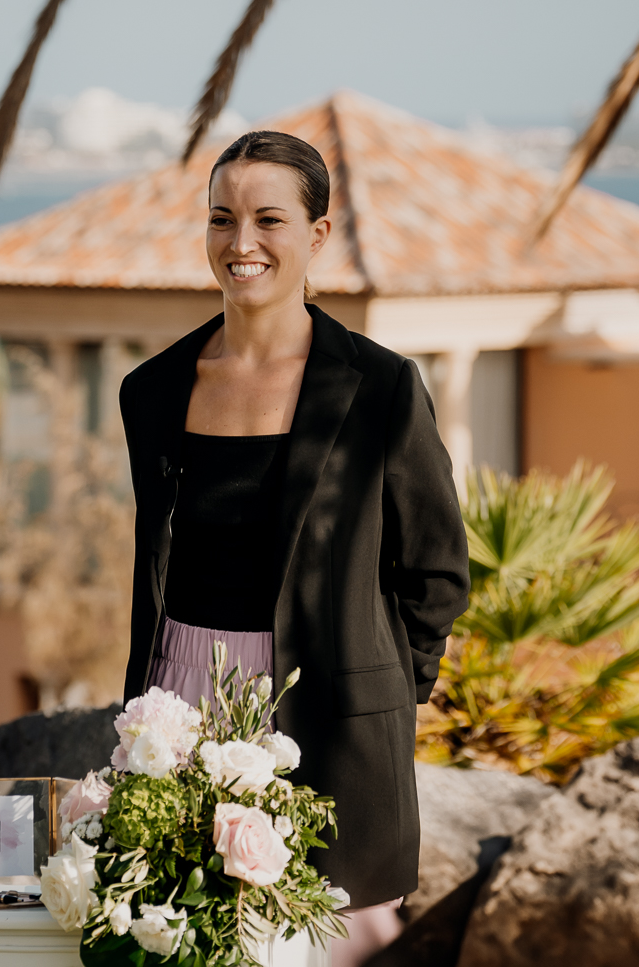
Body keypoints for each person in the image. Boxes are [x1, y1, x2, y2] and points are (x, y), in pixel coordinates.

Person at [117, 130, 469, 967]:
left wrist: (376, 689)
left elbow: (437, 567)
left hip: (329, 706)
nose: (241, 244)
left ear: (316, 236)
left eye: (268, 219)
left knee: (327, 945)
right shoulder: (154, 391)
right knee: (180, 939)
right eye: (221, 219)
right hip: (180, 700)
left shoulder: (381, 387)